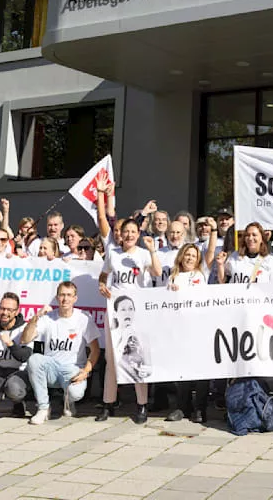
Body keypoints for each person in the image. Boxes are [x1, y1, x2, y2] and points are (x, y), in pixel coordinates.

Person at [95, 176, 160, 423]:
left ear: (138, 233)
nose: (130, 235)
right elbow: (103, 275)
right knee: (112, 359)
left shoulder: (143, 254)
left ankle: (142, 405)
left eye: (134, 231)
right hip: (114, 312)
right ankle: (108, 404)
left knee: (137, 356)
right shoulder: (113, 254)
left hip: (138, 312)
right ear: (120, 235)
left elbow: (155, 273)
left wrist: (153, 251)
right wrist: (102, 286)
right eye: (126, 232)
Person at [20, 282, 101, 424]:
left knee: (76, 393)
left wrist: (86, 371)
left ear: (75, 298)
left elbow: (95, 350)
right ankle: (43, 408)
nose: (65, 299)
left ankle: (68, 402)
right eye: (62, 295)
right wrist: (35, 318)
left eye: (69, 295)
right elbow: (25, 339)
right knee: (34, 360)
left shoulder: (83, 318)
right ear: (57, 297)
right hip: (51, 368)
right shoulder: (48, 318)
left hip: (72, 369)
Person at [165, 243, 211, 422]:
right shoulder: (173, 277)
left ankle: (200, 408)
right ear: (181, 257)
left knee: (200, 370)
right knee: (182, 370)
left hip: (198, 328)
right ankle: (182, 407)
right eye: (187, 254)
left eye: (194, 255)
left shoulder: (199, 275)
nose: (190, 258)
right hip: (179, 329)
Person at [0, 292, 35, 417]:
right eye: (2, 308)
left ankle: (18, 403)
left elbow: (25, 356)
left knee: (14, 389)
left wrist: (10, 344)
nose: (5, 312)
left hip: (18, 373)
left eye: (10, 310)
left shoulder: (25, 329)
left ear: (17, 312)